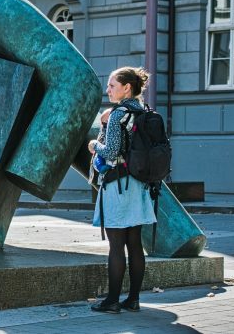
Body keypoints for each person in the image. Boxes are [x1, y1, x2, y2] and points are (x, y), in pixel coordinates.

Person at [87, 66, 157, 314]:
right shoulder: (143, 111)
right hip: (138, 185)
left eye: (112, 86)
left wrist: (95, 144)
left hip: (118, 185)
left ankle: (112, 301)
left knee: (116, 245)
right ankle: (133, 299)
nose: (108, 90)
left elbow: (112, 151)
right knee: (134, 243)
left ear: (127, 88)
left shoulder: (118, 115)